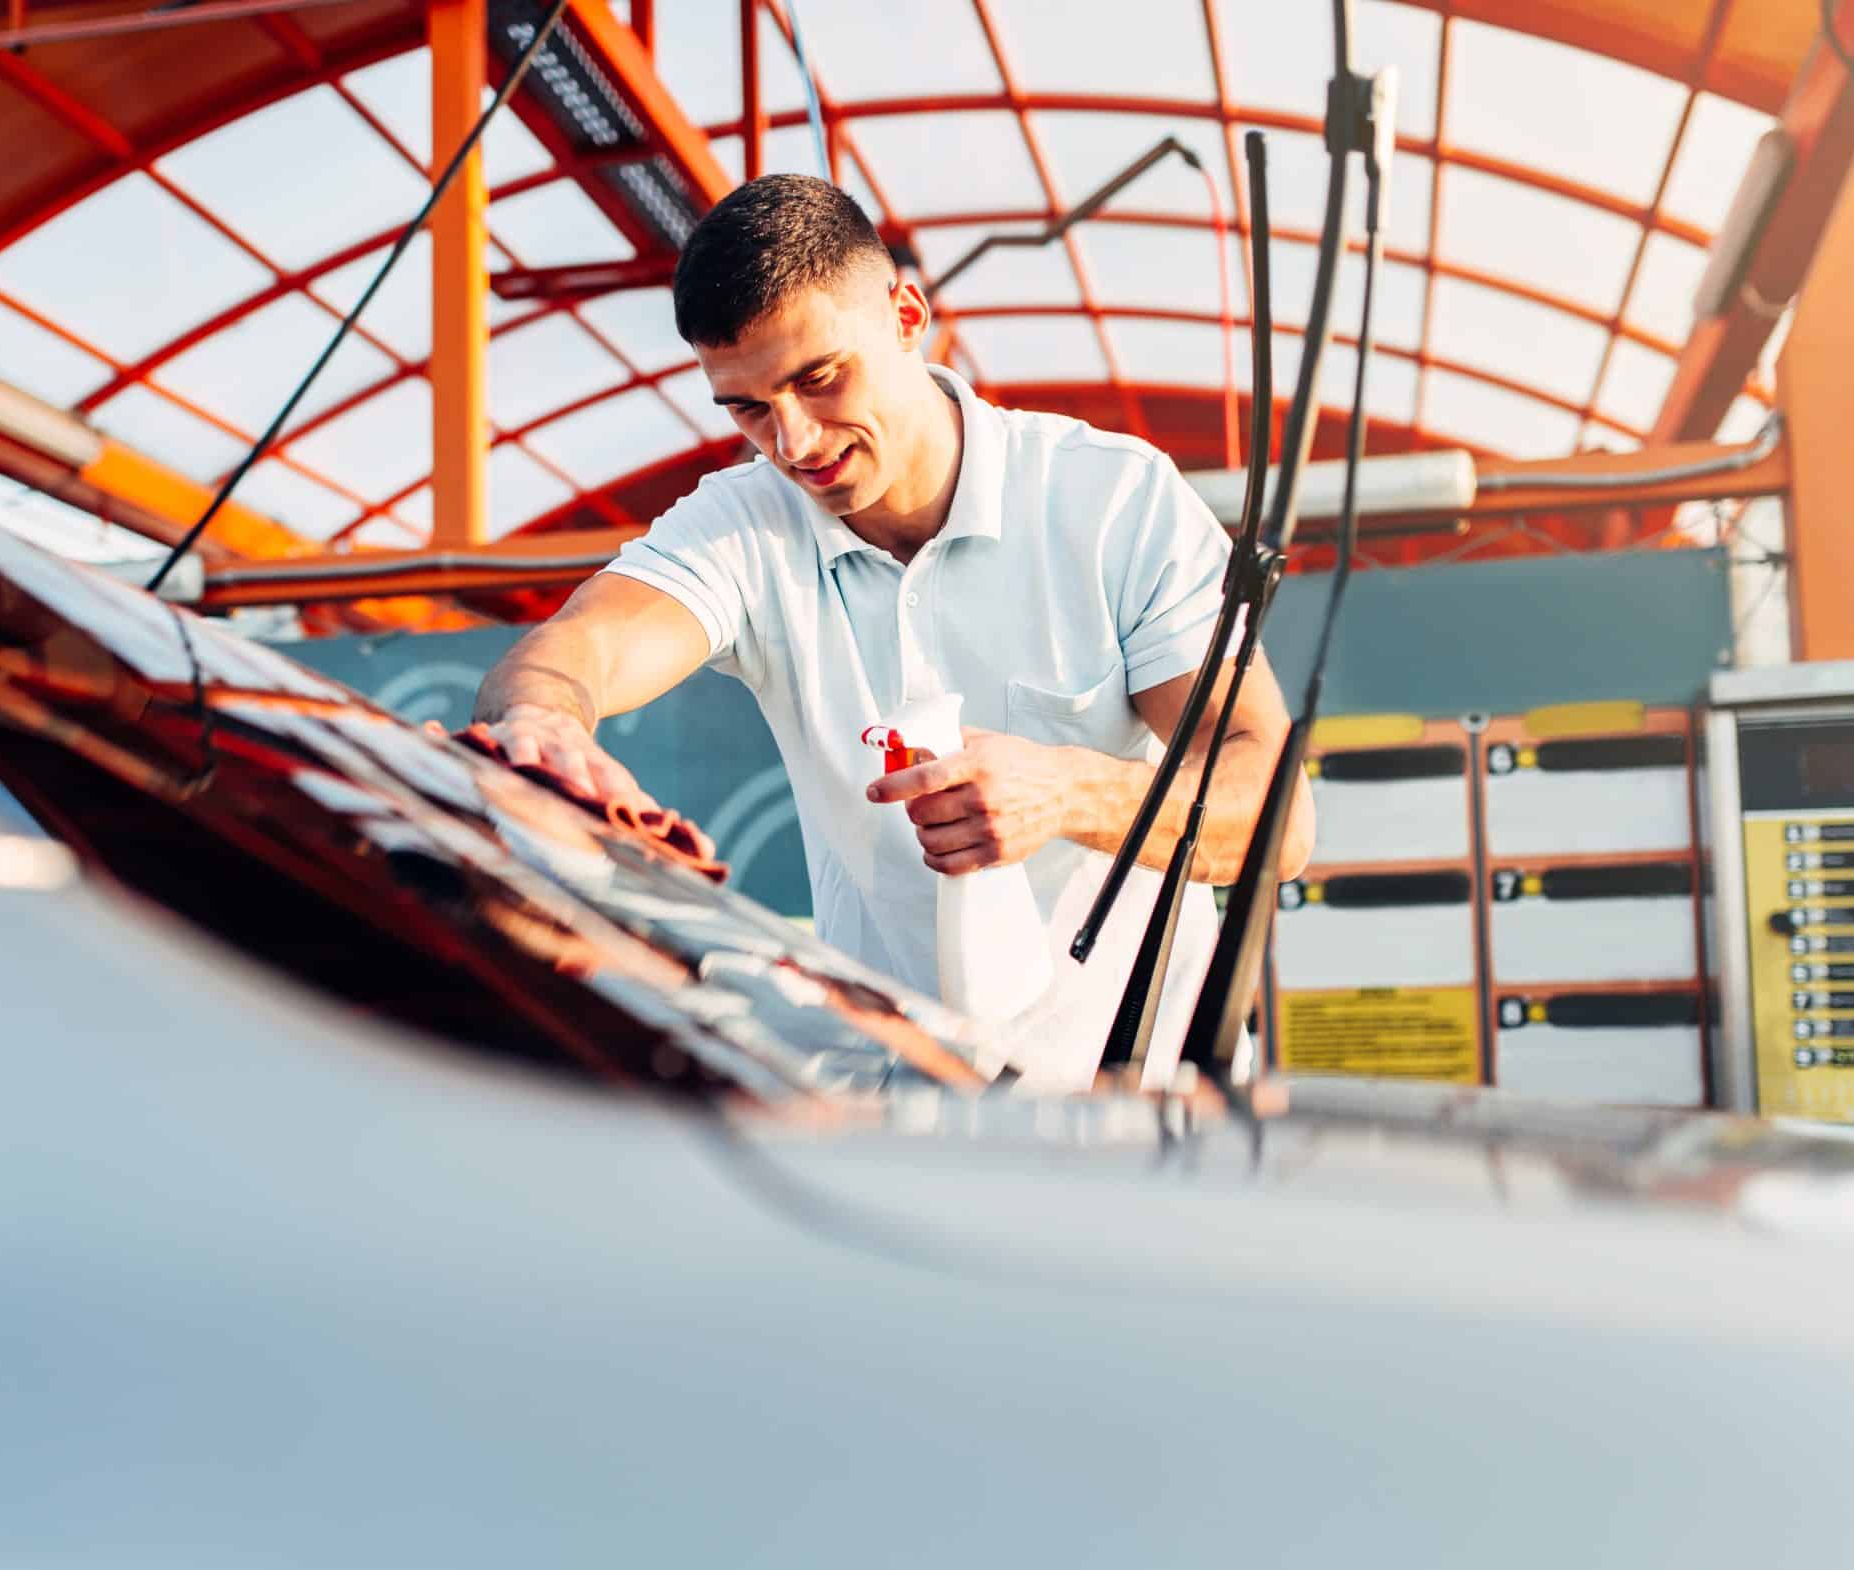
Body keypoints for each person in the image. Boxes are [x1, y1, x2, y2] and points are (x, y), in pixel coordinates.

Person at [474, 174, 1313, 1087]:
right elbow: (573, 652)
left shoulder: (1110, 499)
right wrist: (545, 724)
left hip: (1139, 1097)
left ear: (908, 316)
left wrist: (1070, 793)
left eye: (819, 378)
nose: (793, 442)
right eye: (748, 408)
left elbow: (1277, 810)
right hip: (886, 1112)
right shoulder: (746, 526)